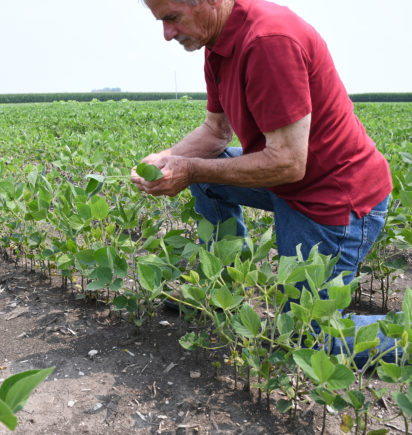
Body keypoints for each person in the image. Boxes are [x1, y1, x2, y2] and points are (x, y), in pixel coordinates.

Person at [131, 0, 396, 367]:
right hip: (291, 182)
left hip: (334, 199)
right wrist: (166, 159)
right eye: (161, 21)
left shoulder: (269, 42)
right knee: (205, 177)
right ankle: (221, 286)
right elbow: (216, 132)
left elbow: (287, 162)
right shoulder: (218, 42)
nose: (167, 34)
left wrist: (189, 169)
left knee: (305, 338)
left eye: (172, 18)